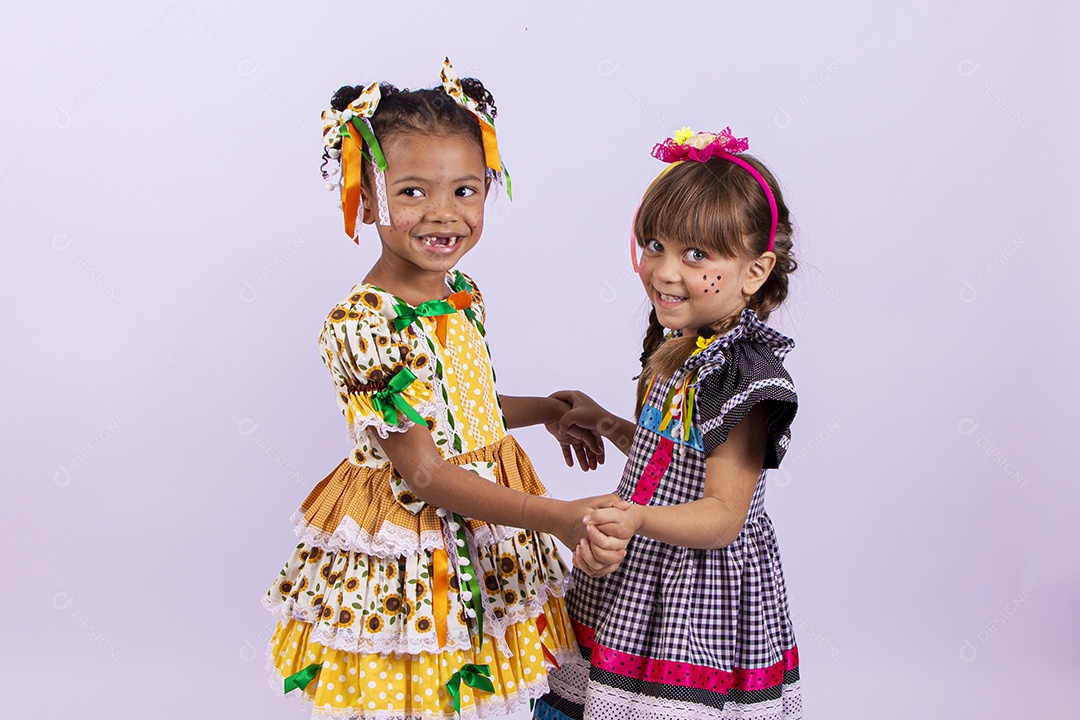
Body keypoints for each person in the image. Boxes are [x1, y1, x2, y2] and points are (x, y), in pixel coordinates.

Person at [262, 59, 630, 719]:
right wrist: (560, 517)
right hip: (421, 536)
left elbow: (464, 407)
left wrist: (546, 408)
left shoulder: (460, 295)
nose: (444, 213)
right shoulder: (365, 323)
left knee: (483, 682)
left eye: (465, 190)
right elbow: (427, 470)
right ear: (366, 197)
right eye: (412, 192)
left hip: (487, 516)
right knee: (425, 694)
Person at [535, 128, 802, 719]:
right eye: (654, 244)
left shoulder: (739, 371)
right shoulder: (685, 344)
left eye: (697, 255)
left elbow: (722, 516)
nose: (664, 271)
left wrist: (635, 517)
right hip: (639, 561)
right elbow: (675, 456)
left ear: (755, 271)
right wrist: (607, 423)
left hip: (691, 584)